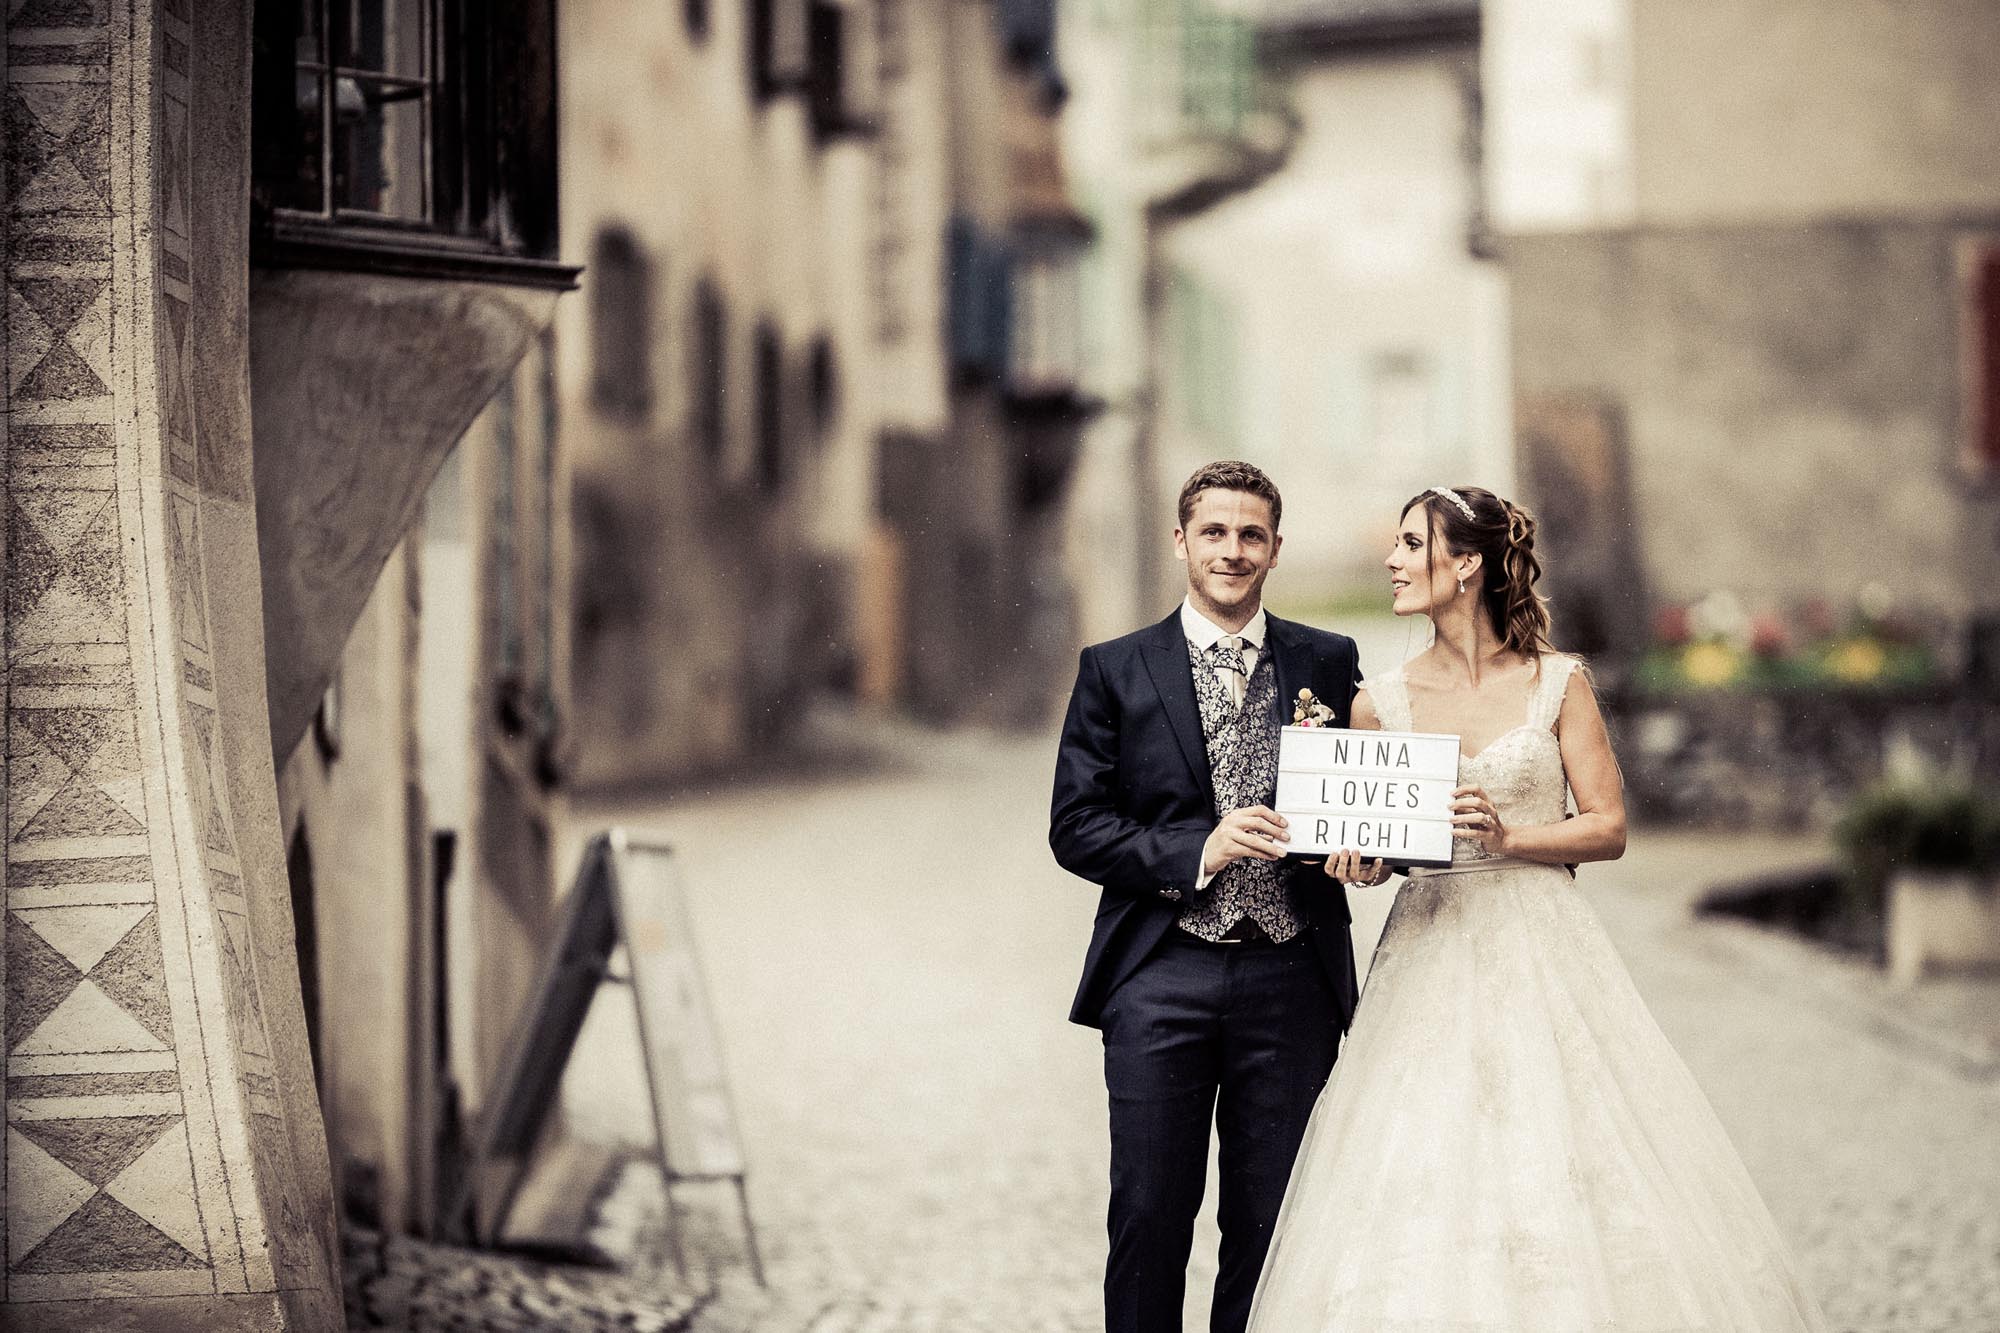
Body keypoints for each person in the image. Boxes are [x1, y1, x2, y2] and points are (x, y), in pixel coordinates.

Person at [1247, 485, 1827, 1330]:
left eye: (1413, 544)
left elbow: (1610, 827)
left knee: (1562, 1143)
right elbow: (1376, 850)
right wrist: (1358, 862)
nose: (1393, 560)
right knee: (1428, 1153)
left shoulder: (1557, 683)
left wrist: (1515, 839)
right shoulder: (1381, 703)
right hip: (1429, 946)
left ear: (1468, 564)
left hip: (1540, 939)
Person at [1050, 461, 1385, 1333]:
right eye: (1214, 532)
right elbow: (1076, 826)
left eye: (1251, 535)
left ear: (1275, 548)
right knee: (1151, 1217)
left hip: (1291, 979)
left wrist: (1370, 855)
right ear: (1181, 540)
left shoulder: (1328, 660)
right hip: (1160, 973)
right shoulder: (1115, 670)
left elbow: (1362, 801)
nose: (1232, 551)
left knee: (1272, 1227)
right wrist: (1194, 848)